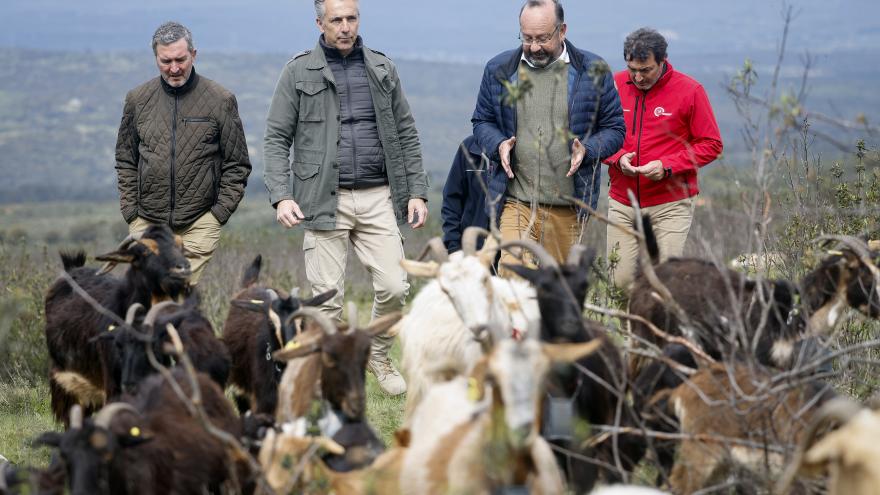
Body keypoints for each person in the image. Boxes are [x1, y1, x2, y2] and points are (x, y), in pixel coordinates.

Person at [263, 0, 429, 396]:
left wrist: (417, 191)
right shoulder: (298, 70)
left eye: (351, 18)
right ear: (319, 22)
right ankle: (325, 374)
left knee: (394, 286)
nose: (345, 27)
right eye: (336, 19)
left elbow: (406, 132)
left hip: (378, 195)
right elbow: (275, 137)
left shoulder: (382, 67)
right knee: (327, 301)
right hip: (322, 198)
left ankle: (376, 354)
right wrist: (281, 196)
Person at [472, 0, 625, 274]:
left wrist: (588, 150)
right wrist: (498, 144)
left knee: (559, 291)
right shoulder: (499, 69)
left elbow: (615, 128)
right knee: (512, 276)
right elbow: (482, 120)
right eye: (527, 38)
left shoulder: (593, 70)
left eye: (543, 38)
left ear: (562, 31)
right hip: (515, 200)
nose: (534, 47)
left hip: (568, 206)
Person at [115, 21, 251, 285]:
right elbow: (125, 159)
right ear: (155, 57)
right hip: (147, 223)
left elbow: (238, 164)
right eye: (166, 61)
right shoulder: (137, 99)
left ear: (194, 54)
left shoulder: (220, 100)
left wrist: (217, 216)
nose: (174, 68)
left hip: (199, 222)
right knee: (145, 297)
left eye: (181, 59)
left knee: (177, 295)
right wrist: (131, 212)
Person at [604, 28, 723, 290]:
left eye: (645, 70)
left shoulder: (690, 90)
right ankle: (625, 332)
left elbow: (712, 144)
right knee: (619, 283)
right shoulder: (614, 85)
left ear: (663, 60)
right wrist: (618, 157)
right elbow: (598, 134)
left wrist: (667, 166)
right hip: (623, 202)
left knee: (664, 285)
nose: (637, 77)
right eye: (632, 68)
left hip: (670, 203)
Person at [441, 136, 491, 254]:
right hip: (472, 250)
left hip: (510, 251)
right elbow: (451, 199)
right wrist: (454, 247)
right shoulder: (469, 147)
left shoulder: (519, 147)